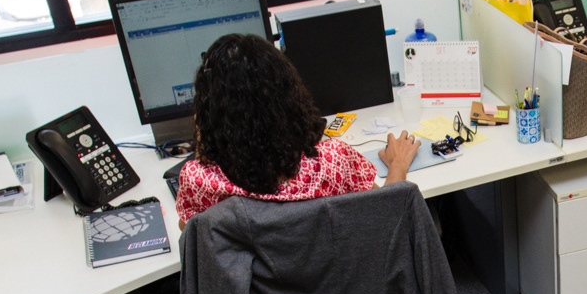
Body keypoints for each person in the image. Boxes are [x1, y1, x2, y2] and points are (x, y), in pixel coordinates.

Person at [174, 33, 418, 228]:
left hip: (258, 291)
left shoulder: (199, 182)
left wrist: (208, 142)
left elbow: (195, 240)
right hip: (335, 288)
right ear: (288, 97)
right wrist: (398, 164)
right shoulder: (332, 163)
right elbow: (387, 214)